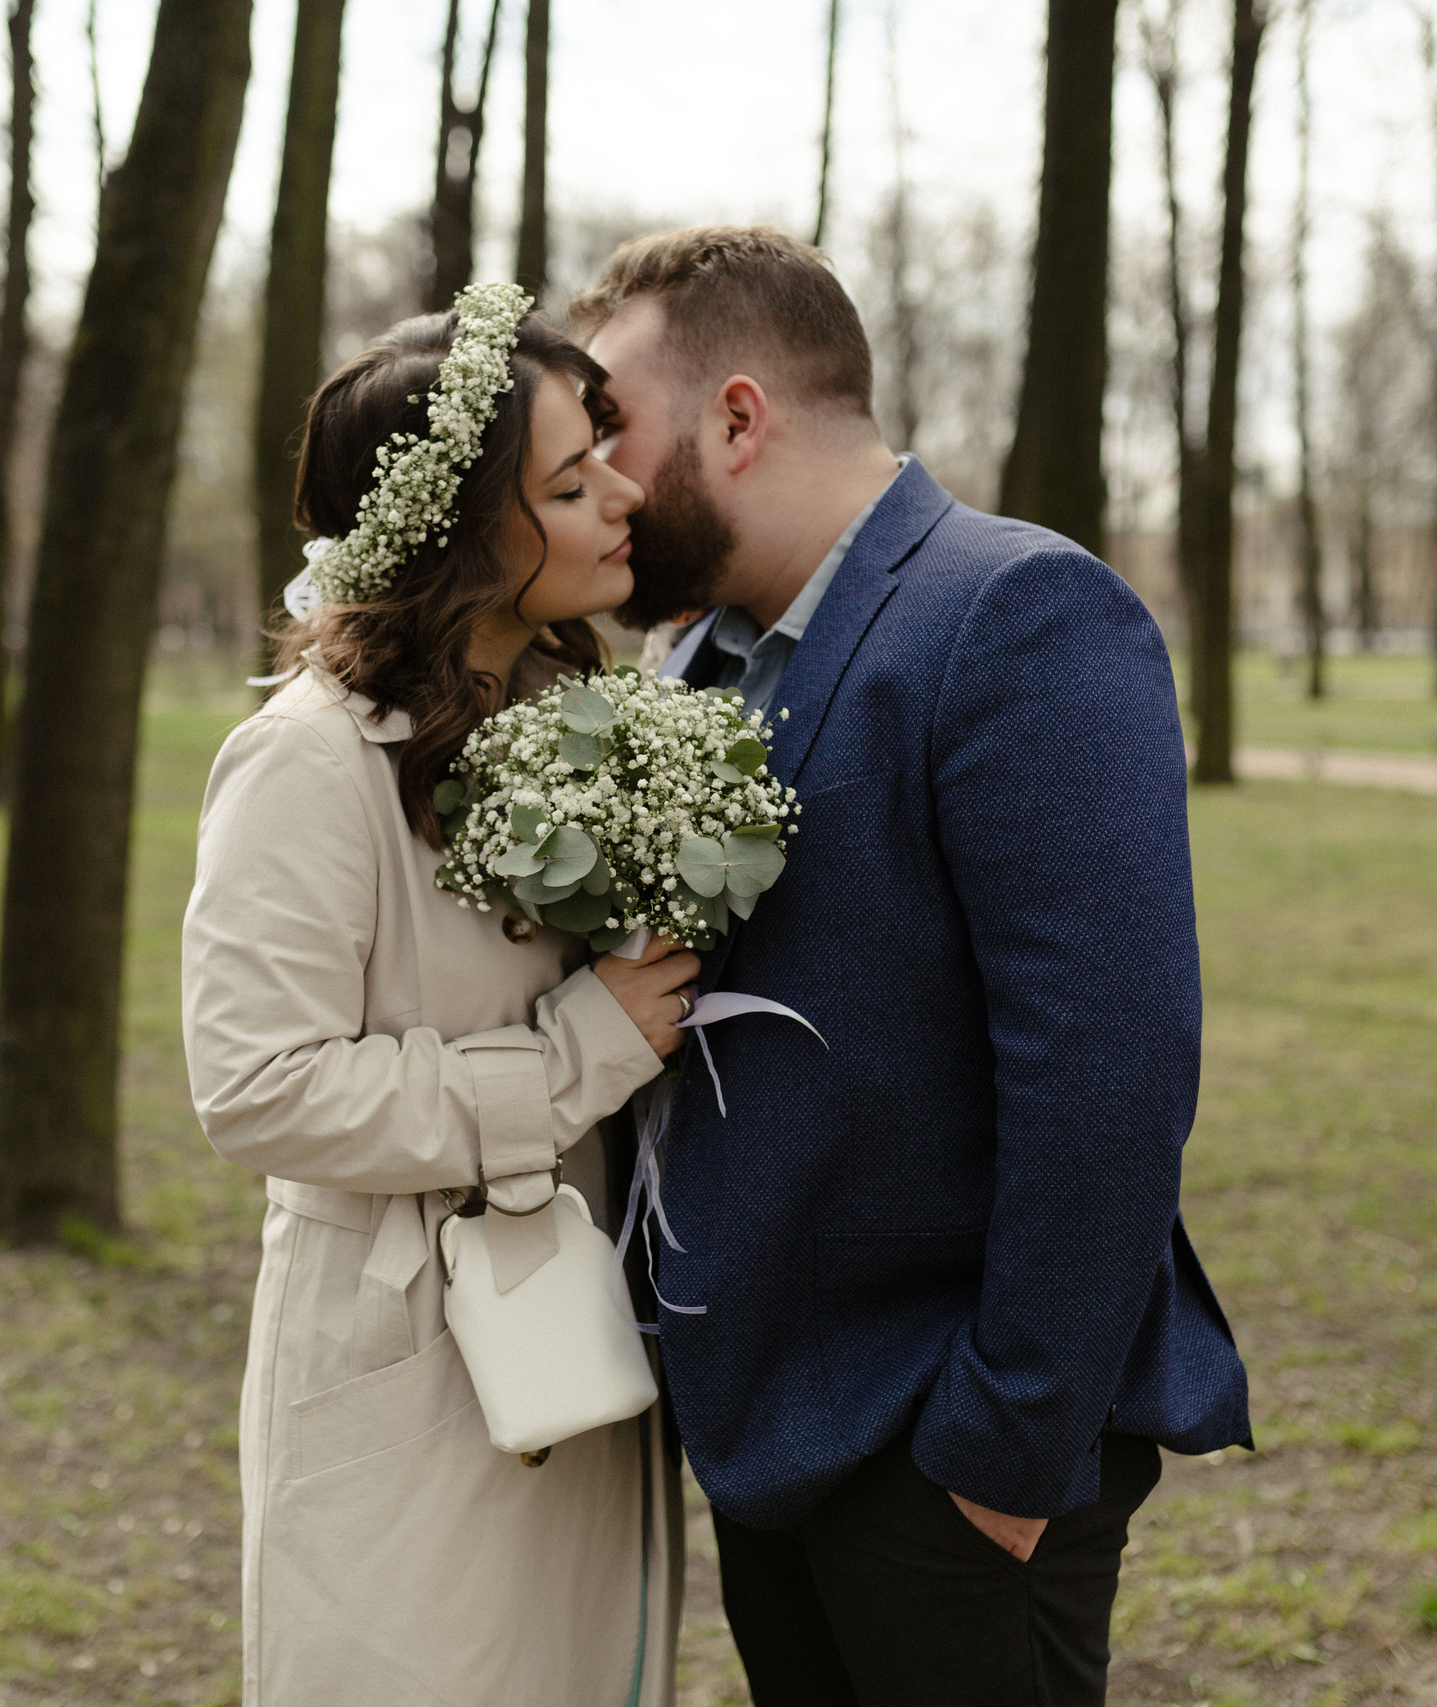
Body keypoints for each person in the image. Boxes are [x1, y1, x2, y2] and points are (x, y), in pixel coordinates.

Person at [573, 227, 1253, 1706]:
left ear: (738, 417)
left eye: (614, 424)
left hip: (945, 1448)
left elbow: (1110, 1070)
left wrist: (1001, 1452)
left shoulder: (1017, 613)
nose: (598, 473)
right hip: (762, 1428)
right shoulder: (690, 666)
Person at [181, 287, 695, 1704]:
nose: (626, 495)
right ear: (463, 528)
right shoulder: (309, 761)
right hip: (405, 1361)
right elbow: (256, 1085)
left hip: (572, 1330)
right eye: (572, 480)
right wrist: (576, 1055)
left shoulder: (574, 727)